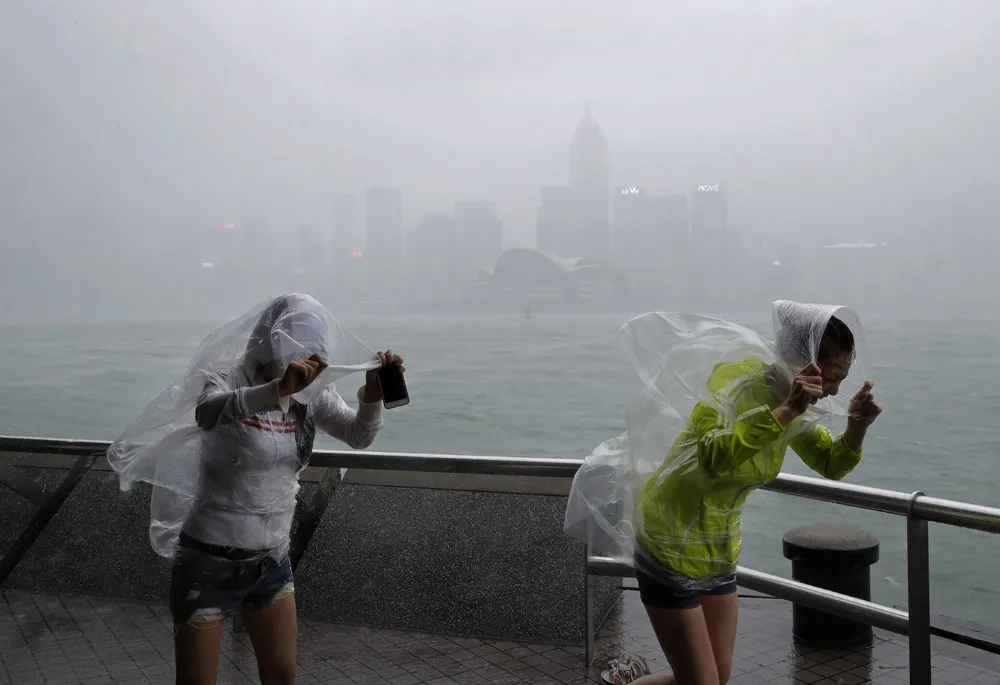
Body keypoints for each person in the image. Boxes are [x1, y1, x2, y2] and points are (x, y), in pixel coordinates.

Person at [628, 310, 882, 685]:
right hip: (668, 541)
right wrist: (785, 410)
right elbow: (714, 455)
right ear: (803, 362)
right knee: (703, 683)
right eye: (830, 378)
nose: (834, 391)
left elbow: (831, 462)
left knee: (717, 677)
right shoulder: (735, 380)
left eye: (842, 380)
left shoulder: (797, 403)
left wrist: (857, 427)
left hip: (717, 550)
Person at [166, 294, 405, 685]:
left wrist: (372, 398)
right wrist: (278, 387)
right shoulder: (228, 376)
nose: (301, 365)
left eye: (311, 354)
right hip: (207, 561)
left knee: (282, 676)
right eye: (292, 353)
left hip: (272, 562)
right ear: (268, 340)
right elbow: (207, 412)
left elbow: (357, 435)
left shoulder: (310, 393)